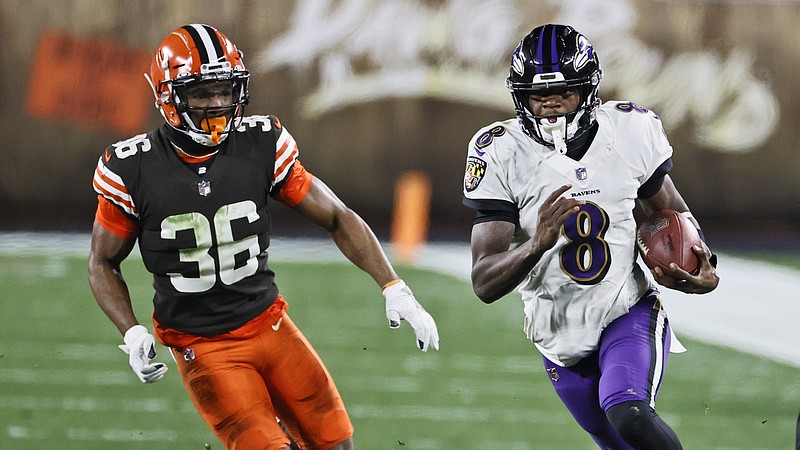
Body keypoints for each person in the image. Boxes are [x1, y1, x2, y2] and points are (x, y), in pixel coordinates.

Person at [88, 23, 439, 450]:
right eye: (202, 93)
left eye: (225, 90)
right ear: (168, 96)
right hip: (203, 343)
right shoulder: (133, 167)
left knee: (337, 445)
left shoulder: (260, 142)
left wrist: (393, 284)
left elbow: (336, 217)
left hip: (270, 323)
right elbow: (102, 261)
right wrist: (131, 332)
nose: (218, 103)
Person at [462, 24, 719, 449]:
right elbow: (484, 282)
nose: (549, 106)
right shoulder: (499, 152)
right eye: (536, 96)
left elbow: (672, 212)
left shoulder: (629, 131)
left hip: (627, 309)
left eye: (562, 93)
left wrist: (703, 265)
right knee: (618, 442)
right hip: (557, 333)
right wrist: (536, 243)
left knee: (629, 412)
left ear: (588, 89)